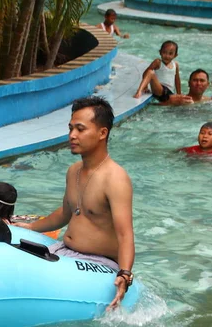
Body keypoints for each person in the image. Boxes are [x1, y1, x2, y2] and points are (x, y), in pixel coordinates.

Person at [14, 96, 135, 310]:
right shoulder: (74, 172)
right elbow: (65, 213)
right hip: (65, 250)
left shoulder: (115, 178)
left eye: (80, 129)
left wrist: (124, 274)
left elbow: (125, 234)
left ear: (102, 133)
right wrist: (29, 227)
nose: (72, 135)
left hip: (98, 263)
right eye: (71, 128)